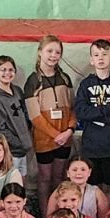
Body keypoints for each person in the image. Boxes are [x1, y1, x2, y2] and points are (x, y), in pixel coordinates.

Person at [75, 39, 110, 198]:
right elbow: (80, 112)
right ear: (91, 59)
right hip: (92, 145)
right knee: (92, 187)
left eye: (105, 54)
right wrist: (106, 109)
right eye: (96, 55)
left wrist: (95, 117)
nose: (101, 58)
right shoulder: (86, 84)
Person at [25, 36, 75, 207]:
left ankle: (60, 211)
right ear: (40, 53)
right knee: (45, 178)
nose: (53, 55)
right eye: (49, 51)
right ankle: (46, 215)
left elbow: (73, 109)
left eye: (57, 52)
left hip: (65, 139)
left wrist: (68, 131)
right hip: (45, 140)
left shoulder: (65, 78)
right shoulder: (33, 81)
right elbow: (35, 117)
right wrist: (56, 135)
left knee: (59, 177)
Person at [0, 55, 35, 179]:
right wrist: (17, 143)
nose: (7, 73)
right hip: (11, 150)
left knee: (22, 179)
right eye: (3, 70)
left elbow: (24, 114)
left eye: (11, 70)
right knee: (11, 180)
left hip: (23, 147)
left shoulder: (17, 91)